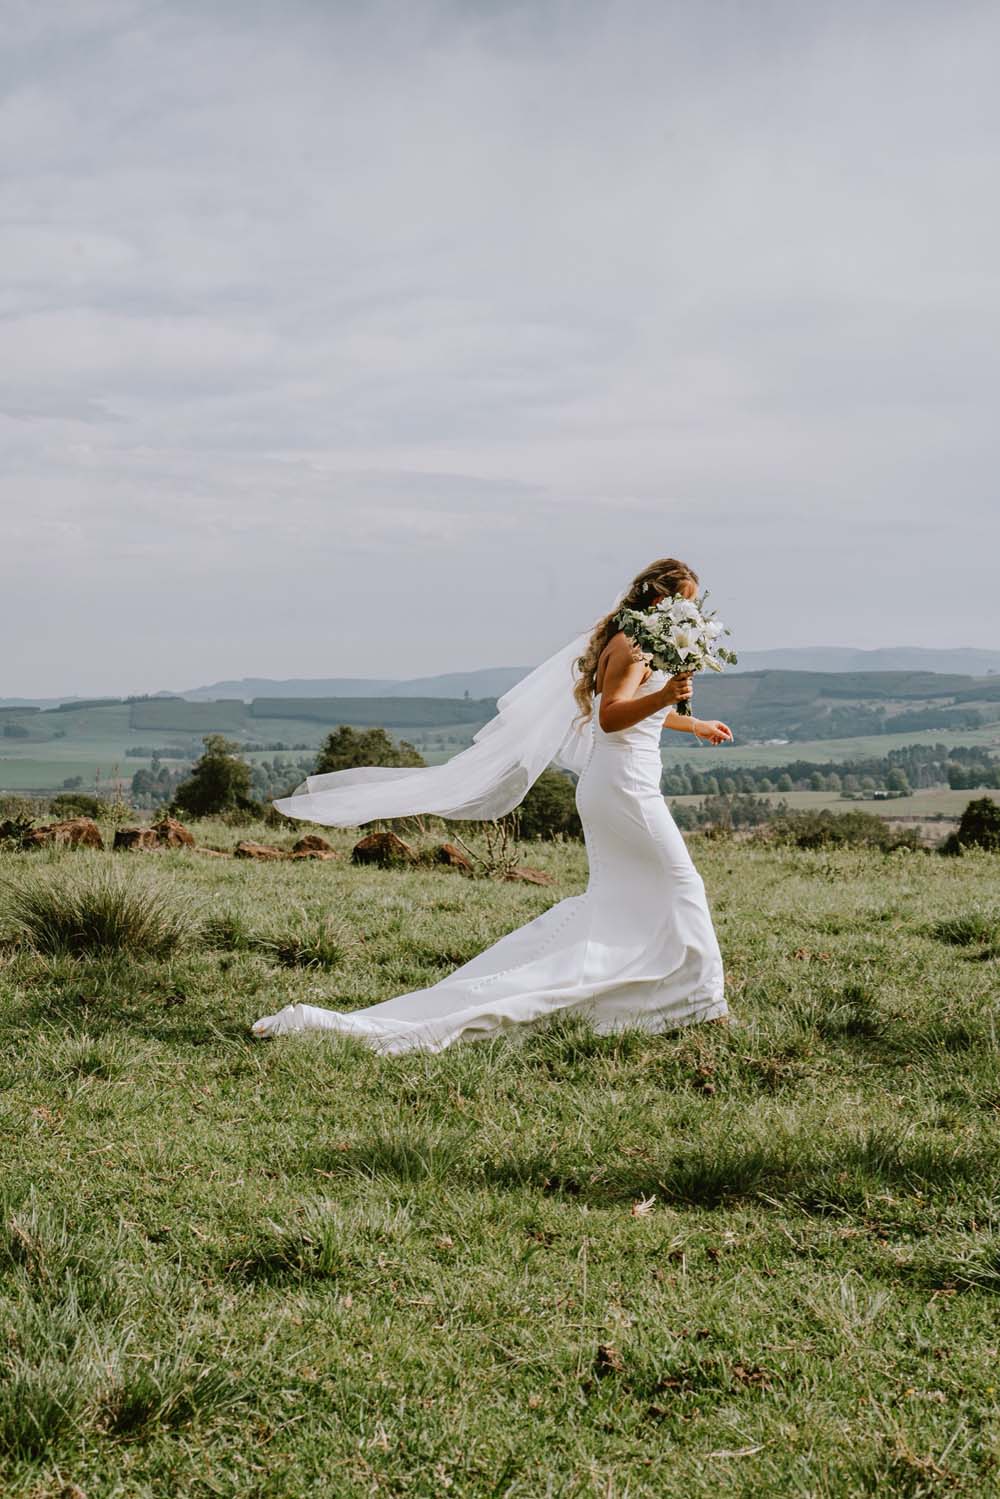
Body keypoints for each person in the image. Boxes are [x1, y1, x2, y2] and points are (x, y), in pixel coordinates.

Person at [251, 557, 734, 1052]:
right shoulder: (632, 646)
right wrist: (668, 695)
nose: (690, 614)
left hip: (619, 782)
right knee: (682, 883)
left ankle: (655, 994)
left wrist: (692, 722)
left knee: (626, 898)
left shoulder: (637, 642)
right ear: (659, 599)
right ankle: (701, 1001)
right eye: (685, 604)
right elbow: (610, 716)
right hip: (625, 786)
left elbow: (634, 706)